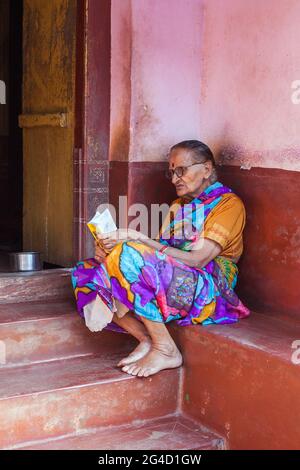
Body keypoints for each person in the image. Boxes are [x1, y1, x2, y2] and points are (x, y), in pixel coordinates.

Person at [71, 140, 250, 378]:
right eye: (172, 172)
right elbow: (159, 253)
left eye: (181, 170)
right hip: (175, 276)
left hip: (209, 286)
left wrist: (137, 240)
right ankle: (145, 339)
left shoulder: (229, 205)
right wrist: (108, 252)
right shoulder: (179, 206)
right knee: (88, 271)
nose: (175, 178)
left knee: (128, 255)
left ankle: (166, 350)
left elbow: (198, 260)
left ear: (206, 169)